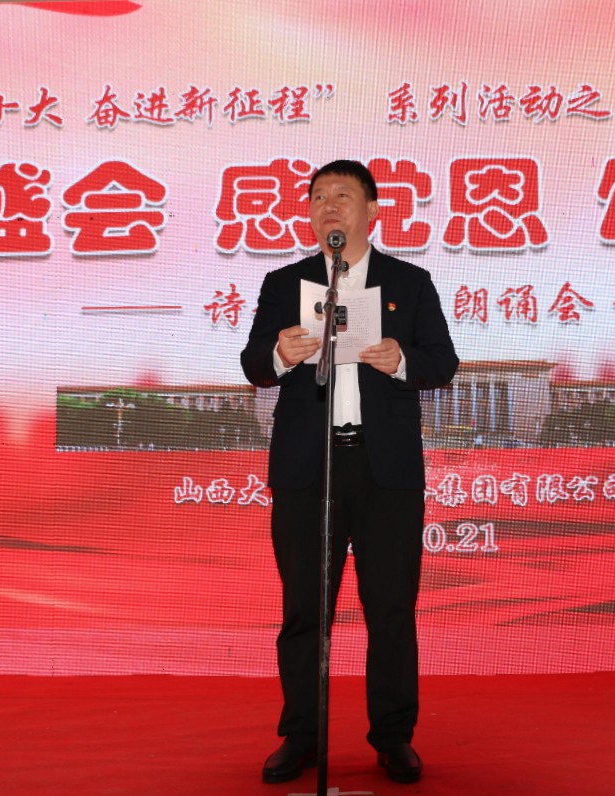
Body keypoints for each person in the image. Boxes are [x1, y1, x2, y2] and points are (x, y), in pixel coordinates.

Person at [240, 160, 459, 785]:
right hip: (308, 468)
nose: (328, 206)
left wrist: (402, 360)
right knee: (304, 609)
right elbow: (253, 364)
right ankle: (301, 737)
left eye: (342, 195)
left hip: (384, 470)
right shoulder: (284, 283)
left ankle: (393, 737)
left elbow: (443, 363)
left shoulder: (409, 283)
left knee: (390, 608)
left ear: (372, 211)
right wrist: (280, 353)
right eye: (317, 197)